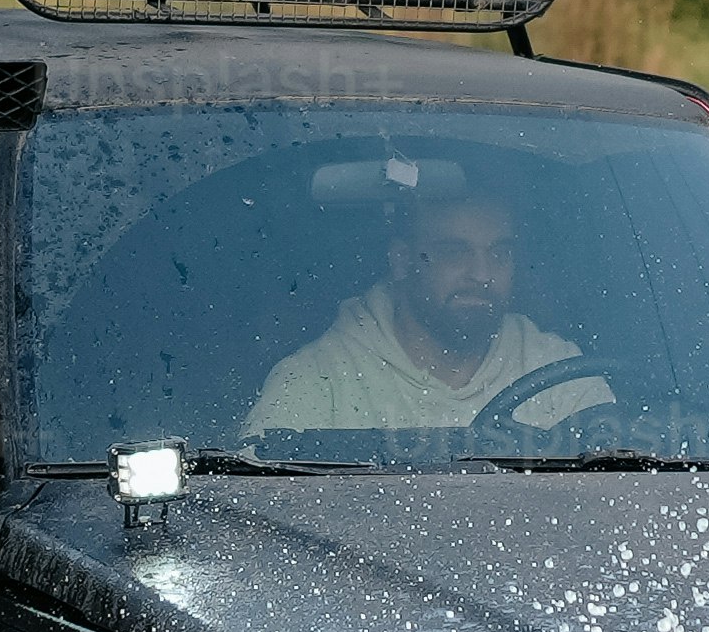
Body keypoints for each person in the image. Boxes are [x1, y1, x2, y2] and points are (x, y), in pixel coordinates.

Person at [243, 168, 604, 436]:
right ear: (401, 261)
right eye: (453, 252)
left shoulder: (560, 374)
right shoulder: (319, 384)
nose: (482, 273)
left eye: (499, 253)